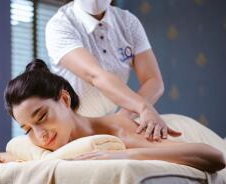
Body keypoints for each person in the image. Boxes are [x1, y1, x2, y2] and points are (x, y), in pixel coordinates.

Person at [0, 59, 225, 173]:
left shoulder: (119, 132)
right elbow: (30, 158)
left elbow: (213, 156)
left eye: (41, 117)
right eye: (27, 129)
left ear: (64, 100)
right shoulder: (54, 142)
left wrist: (124, 155)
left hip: (180, 129)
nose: (40, 134)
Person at [45, 0, 180, 141]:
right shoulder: (60, 25)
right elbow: (94, 75)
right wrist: (143, 107)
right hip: (72, 126)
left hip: (111, 122)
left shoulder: (128, 22)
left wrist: (122, 118)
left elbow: (153, 80)